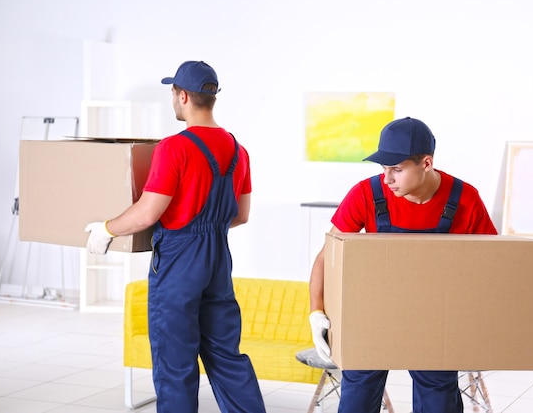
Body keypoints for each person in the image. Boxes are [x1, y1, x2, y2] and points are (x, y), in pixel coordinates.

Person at [84, 60, 266, 413]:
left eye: (173, 92)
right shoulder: (237, 150)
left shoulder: (173, 148)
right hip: (217, 261)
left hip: (180, 262)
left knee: (176, 362)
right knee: (226, 357)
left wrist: (107, 228)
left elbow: (148, 212)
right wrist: (206, 228)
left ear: (182, 96)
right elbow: (240, 216)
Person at [308, 117, 498, 413]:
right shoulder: (366, 194)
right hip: (372, 315)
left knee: (438, 399)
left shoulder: (464, 199)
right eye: (383, 169)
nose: (387, 179)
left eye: (397, 169)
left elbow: (491, 266)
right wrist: (316, 312)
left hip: (435, 321)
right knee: (357, 397)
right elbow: (327, 255)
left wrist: (476, 323)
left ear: (426, 163)